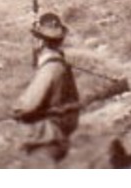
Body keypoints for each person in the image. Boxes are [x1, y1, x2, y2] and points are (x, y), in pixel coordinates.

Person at [13, 11, 80, 165]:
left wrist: (17, 108)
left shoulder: (50, 68)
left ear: (39, 42)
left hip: (46, 140)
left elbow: (28, 106)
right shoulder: (60, 64)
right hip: (55, 137)